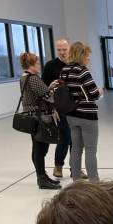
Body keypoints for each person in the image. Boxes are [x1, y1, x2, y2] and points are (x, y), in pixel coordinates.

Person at [60, 42, 103, 181]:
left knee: (76, 148)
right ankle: (94, 182)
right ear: (81, 55)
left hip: (71, 114)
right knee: (90, 149)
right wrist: (100, 91)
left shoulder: (64, 70)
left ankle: (76, 181)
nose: (88, 58)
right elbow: (94, 94)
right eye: (87, 55)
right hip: (87, 115)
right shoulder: (83, 71)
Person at [18, 52, 60, 190]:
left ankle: (42, 176)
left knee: (37, 147)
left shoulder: (24, 78)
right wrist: (54, 89)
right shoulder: (34, 78)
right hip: (40, 117)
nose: (39, 66)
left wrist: (49, 88)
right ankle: (41, 178)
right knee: (41, 148)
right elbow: (48, 96)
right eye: (37, 63)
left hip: (32, 117)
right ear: (31, 65)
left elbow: (40, 94)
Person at [42, 38, 71, 178]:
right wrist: (51, 107)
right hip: (59, 107)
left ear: (69, 48)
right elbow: (44, 89)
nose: (62, 52)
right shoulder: (50, 66)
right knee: (64, 136)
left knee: (76, 139)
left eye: (64, 49)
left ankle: (76, 167)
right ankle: (58, 166)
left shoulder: (74, 64)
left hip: (74, 106)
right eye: (59, 50)